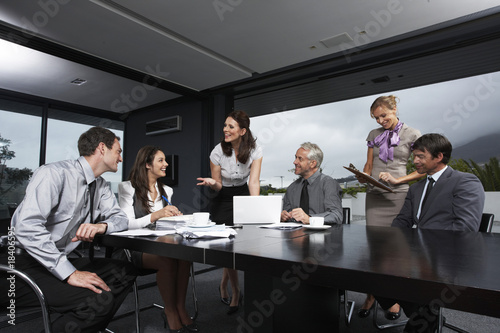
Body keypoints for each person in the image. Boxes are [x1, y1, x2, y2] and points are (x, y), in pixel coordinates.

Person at [9, 127, 138, 332]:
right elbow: (26, 228)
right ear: (102, 148)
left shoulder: (101, 185)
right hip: (20, 261)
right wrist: (70, 273)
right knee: (95, 301)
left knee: (124, 271)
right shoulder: (54, 173)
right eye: (118, 151)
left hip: (54, 259)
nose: (121, 158)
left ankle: (86, 326)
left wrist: (102, 226)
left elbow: (121, 218)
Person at [379, 133, 485, 333]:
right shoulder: (416, 188)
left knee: (421, 299)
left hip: (448, 258)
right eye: (414, 156)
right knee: (372, 272)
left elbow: (465, 227)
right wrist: (389, 244)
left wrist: (420, 250)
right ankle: (422, 312)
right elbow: (403, 220)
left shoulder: (465, 182)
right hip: (417, 258)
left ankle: (422, 315)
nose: (415, 161)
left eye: (420, 156)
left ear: (439, 156)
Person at [357, 95, 423, 320]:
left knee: (396, 251)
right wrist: (363, 177)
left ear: (394, 109)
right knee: (375, 249)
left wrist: (398, 180)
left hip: (398, 196)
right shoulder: (373, 135)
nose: (380, 121)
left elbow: (421, 169)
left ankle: (394, 299)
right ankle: (372, 296)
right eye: (376, 118)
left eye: (383, 115)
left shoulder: (413, 134)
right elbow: (369, 164)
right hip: (375, 196)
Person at [118, 146, 197, 333]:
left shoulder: (166, 190)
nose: (166, 164)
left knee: (185, 256)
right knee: (167, 259)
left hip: (159, 243)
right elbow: (125, 224)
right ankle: (169, 311)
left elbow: (163, 223)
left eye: (165, 160)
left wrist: (174, 217)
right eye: (161, 160)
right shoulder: (127, 188)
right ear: (147, 164)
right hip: (134, 248)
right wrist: (156, 215)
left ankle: (180, 308)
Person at [197, 110, 263, 315]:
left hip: (243, 192)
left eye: (231, 126)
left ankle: (224, 283)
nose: (225, 130)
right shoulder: (217, 152)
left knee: (237, 246)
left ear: (242, 131)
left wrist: (254, 208)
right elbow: (217, 185)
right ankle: (236, 290)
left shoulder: (255, 150)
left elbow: (253, 181)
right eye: (225, 125)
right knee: (226, 247)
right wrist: (212, 184)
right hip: (222, 195)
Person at [280, 142, 343, 224]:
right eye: (295, 158)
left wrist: (310, 219)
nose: (295, 162)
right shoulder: (292, 188)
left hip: (322, 235)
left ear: (313, 163)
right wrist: (283, 216)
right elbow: (287, 215)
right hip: (295, 235)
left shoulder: (328, 183)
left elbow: (336, 215)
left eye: (300, 159)